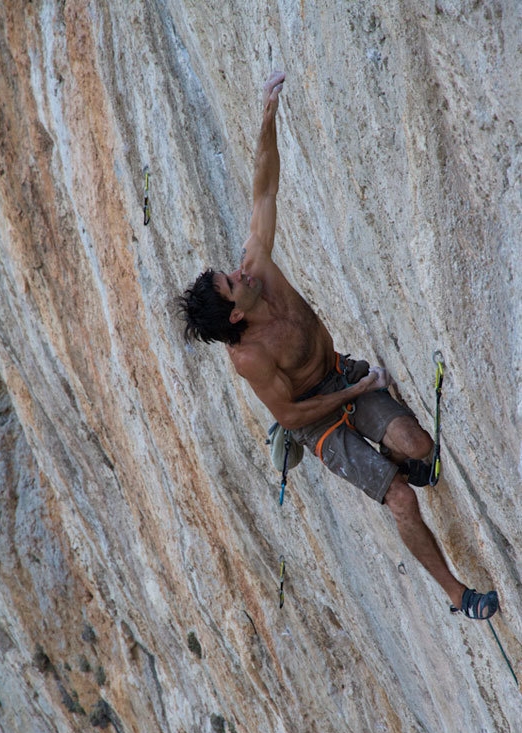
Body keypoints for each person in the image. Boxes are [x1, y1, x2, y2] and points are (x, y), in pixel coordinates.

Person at [178, 71, 498, 621]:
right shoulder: (249, 357)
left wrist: (267, 118)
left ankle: (406, 458)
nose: (240, 271)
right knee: (401, 498)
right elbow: (292, 410)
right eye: (233, 282)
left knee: (419, 449)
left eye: (232, 272)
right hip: (315, 421)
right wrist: (361, 388)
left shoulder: (259, 267)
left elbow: (265, 188)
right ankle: (457, 594)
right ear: (234, 313)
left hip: (338, 375)